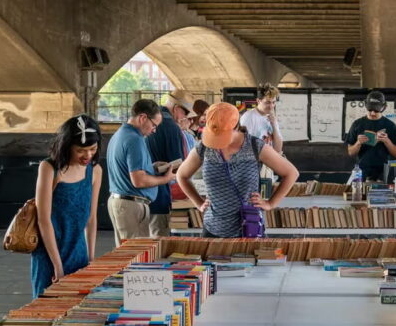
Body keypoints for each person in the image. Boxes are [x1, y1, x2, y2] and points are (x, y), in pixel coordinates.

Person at [175, 102, 298, 238]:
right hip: (213, 229)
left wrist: (270, 203)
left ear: (236, 126)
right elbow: (181, 175)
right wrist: (198, 203)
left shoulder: (254, 146)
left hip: (248, 228)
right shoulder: (204, 148)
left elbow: (291, 173)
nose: (219, 142)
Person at [31, 114, 102, 297]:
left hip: (78, 251)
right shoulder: (49, 168)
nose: (87, 155)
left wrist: (91, 258)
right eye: (80, 150)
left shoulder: (95, 171)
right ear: (67, 146)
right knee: (46, 308)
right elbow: (43, 220)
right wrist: (57, 265)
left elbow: (92, 218)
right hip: (50, 252)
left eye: (92, 149)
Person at [105, 99, 173, 246]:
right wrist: (165, 179)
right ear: (143, 118)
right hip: (131, 205)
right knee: (135, 256)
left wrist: (152, 167)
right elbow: (139, 180)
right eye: (154, 125)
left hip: (120, 202)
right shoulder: (135, 139)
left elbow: (128, 169)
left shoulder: (121, 134)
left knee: (126, 253)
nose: (154, 130)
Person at [146, 90, 198, 237]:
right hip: (161, 194)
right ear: (176, 109)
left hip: (147, 193)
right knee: (160, 242)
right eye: (185, 113)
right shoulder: (169, 126)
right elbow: (180, 167)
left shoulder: (154, 119)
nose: (185, 118)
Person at [346, 90, 396, 183]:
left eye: (376, 110)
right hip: (362, 170)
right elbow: (351, 152)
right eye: (370, 110)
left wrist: (386, 141)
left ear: (383, 107)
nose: (372, 113)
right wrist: (358, 143)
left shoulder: (390, 126)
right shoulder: (357, 124)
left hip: (383, 172)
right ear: (366, 105)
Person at [239, 83, 284, 153]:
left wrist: (274, 125)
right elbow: (243, 147)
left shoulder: (272, 117)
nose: (271, 106)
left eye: (273, 102)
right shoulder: (248, 117)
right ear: (258, 101)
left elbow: (278, 149)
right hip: (255, 162)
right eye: (267, 102)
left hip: (270, 159)